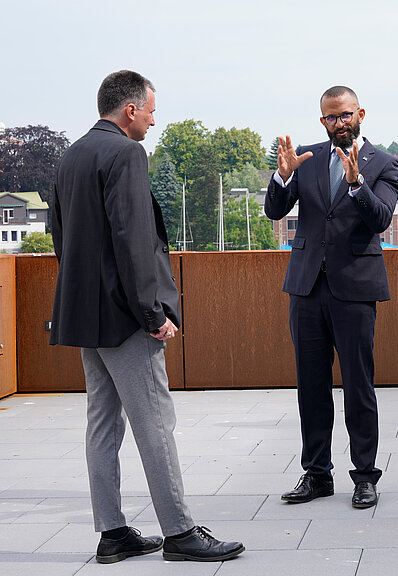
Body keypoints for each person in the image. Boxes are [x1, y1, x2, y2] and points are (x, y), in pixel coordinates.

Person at [50, 70, 244, 563]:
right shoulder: (126, 154)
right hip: (125, 317)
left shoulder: (71, 155)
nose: (154, 121)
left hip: (84, 316)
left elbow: (60, 237)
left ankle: (112, 532)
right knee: (155, 423)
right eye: (152, 111)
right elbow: (133, 241)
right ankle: (180, 533)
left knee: (101, 423)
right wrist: (151, 313)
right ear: (130, 110)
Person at [265, 86, 398, 509]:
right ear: (321, 120)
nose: (338, 123)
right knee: (311, 385)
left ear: (360, 113)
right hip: (306, 286)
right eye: (330, 117)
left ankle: (364, 476)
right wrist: (284, 176)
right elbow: (274, 211)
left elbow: (380, 219)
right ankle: (317, 474)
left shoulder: (384, 163)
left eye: (344, 115)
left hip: (355, 288)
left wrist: (357, 182)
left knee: (359, 384)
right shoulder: (304, 157)